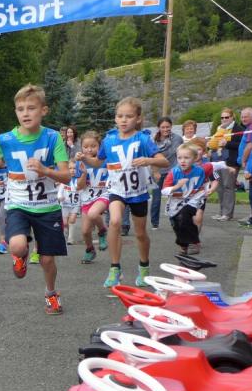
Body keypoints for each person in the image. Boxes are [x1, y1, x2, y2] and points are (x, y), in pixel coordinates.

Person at [0, 84, 71, 315]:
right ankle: (19, 255)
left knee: (47, 260)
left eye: (31, 108)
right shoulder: (7, 139)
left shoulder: (52, 138)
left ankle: (51, 293)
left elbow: (66, 176)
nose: (26, 113)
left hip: (47, 206)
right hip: (18, 205)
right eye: (21, 109)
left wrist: (46, 171)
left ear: (44, 110)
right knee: (17, 245)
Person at [78, 96, 168, 288]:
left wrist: (148, 160)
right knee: (115, 221)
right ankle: (114, 268)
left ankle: (144, 266)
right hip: (117, 190)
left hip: (138, 192)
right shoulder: (109, 140)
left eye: (128, 116)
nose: (124, 120)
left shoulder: (143, 139)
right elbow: (98, 162)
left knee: (140, 233)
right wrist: (85, 159)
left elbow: (164, 161)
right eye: (120, 116)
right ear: (115, 118)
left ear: (138, 118)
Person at [161, 144, 207, 255]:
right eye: (180, 158)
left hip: (192, 200)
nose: (183, 161)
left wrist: (195, 201)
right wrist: (176, 187)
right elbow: (164, 190)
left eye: (186, 158)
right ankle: (183, 245)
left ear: (195, 158)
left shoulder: (199, 171)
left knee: (184, 216)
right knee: (176, 224)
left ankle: (194, 243)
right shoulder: (174, 172)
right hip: (175, 202)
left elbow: (201, 188)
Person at [75, 131, 109, 264]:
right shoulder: (80, 162)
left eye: (93, 146)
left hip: (103, 194)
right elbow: (79, 186)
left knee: (93, 213)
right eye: (86, 147)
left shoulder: (105, 160)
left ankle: (102, 231)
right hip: (87, 198)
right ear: (81, 148)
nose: (89, 149)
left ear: (100, 147)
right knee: (85, 231)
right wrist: (83, 174)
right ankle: (90, 250)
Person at [150, 117, 182, 229]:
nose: (165, 129)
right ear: (159, 128)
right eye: (163, 127)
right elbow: (152, 157)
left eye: (167, 127)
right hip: (158, 171)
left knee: (173, 197)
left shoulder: (177, 139)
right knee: (156, 198)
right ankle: (154, 222)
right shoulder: (154, 141)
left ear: (171, 126)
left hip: (173, 171)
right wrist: (155, 171)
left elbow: (180, 154)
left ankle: (174, 220)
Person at [209, 107, 240, 221]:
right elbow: (213, 143)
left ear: (232, 117)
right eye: (222, 118)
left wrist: (227, 143)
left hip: (230, 161)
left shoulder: (238, 129)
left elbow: (240, 145)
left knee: (228, 186)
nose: (224, 119)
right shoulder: (219, 128)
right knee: (220, 187)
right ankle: (222, 211)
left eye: (226, 117)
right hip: (218, 160)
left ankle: (228, 213)